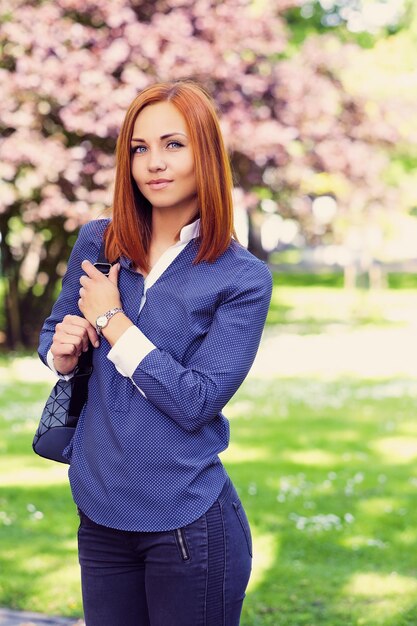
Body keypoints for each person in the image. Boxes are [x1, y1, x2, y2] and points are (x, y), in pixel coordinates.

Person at [38, 80, 272, 626]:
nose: (153, 164)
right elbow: (53, 333)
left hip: (187, 524)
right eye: (139, 148)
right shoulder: (98, 243)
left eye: (173, 145)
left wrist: (111, 321)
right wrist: (63, 354)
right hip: (101, 514)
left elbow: (197, 400)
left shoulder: (241, 278)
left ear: (205, 156)